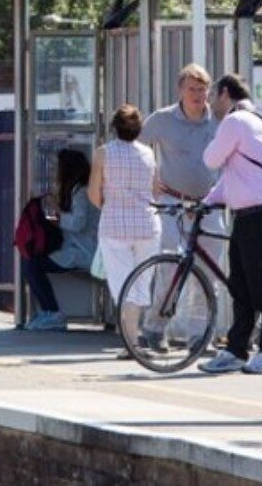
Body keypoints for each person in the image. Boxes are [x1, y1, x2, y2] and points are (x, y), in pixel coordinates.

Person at [198, 73, 262, 375]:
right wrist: (207, 201)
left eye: (212, 96)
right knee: (240, 287)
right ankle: (236, 349)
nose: (209, 103)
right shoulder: (252, 120)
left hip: (260, 215)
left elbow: (210, 159)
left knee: (261, 288)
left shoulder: (236, 122)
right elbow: (235, 177)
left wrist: (216, 135)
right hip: (248, 216)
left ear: (225, 93)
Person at [139, 64, 231, 341]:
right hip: (172, 202)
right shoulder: (162, 119)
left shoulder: (218, 122)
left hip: (209, 203)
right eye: (192, 89)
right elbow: (137, 146)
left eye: (203, 90)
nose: (198, 95)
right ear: (180, 90)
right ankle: (155, 329)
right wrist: (150, 176)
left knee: (207, 274)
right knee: (169, 266)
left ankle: (199, 336)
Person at [87, 105, 162, 358]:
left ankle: (130, 342)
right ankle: (135, 341)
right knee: (142, 283)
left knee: (123, 284)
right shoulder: (148, 154)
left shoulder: (103, 154)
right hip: (147, 225)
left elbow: (93, 193)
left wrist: (109, 206)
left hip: (115, 226)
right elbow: (155, 190)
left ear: (113, 128)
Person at [19, 149, 92, 331]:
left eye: (57, 168)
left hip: (82, 251)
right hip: (75, 248)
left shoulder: (82, 192)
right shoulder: (77, 190)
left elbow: (78, 223)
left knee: (33, 264)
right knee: (31, 261)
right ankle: (47, 311)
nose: (55, 172)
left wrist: (57, 213)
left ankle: (52, 312)